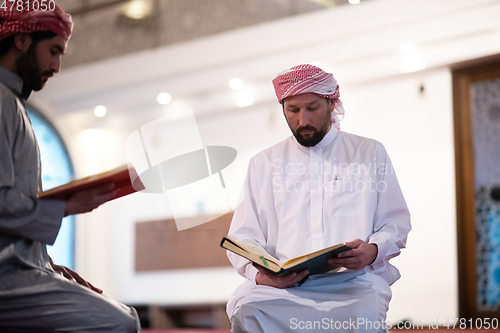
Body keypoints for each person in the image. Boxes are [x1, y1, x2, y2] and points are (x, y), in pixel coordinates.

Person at [226, 64, 411, 332]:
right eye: (293, 110)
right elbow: (243, 237)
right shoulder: (263, 164)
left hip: (353, 283)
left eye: (312, 108)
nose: (303, 120)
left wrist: (373, 251)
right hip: (283, 289)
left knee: (363, 314)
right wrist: (262, 276)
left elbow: (396, 223)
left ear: (331, 102)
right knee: (248, 310)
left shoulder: (369, 153)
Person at [0, 3, 141, 332]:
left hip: (20, 270)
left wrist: (47, 265)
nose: (57, 66)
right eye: (53, 51)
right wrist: (66, 206)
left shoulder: (13, 104)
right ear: (21, 40)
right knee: (118, 323)